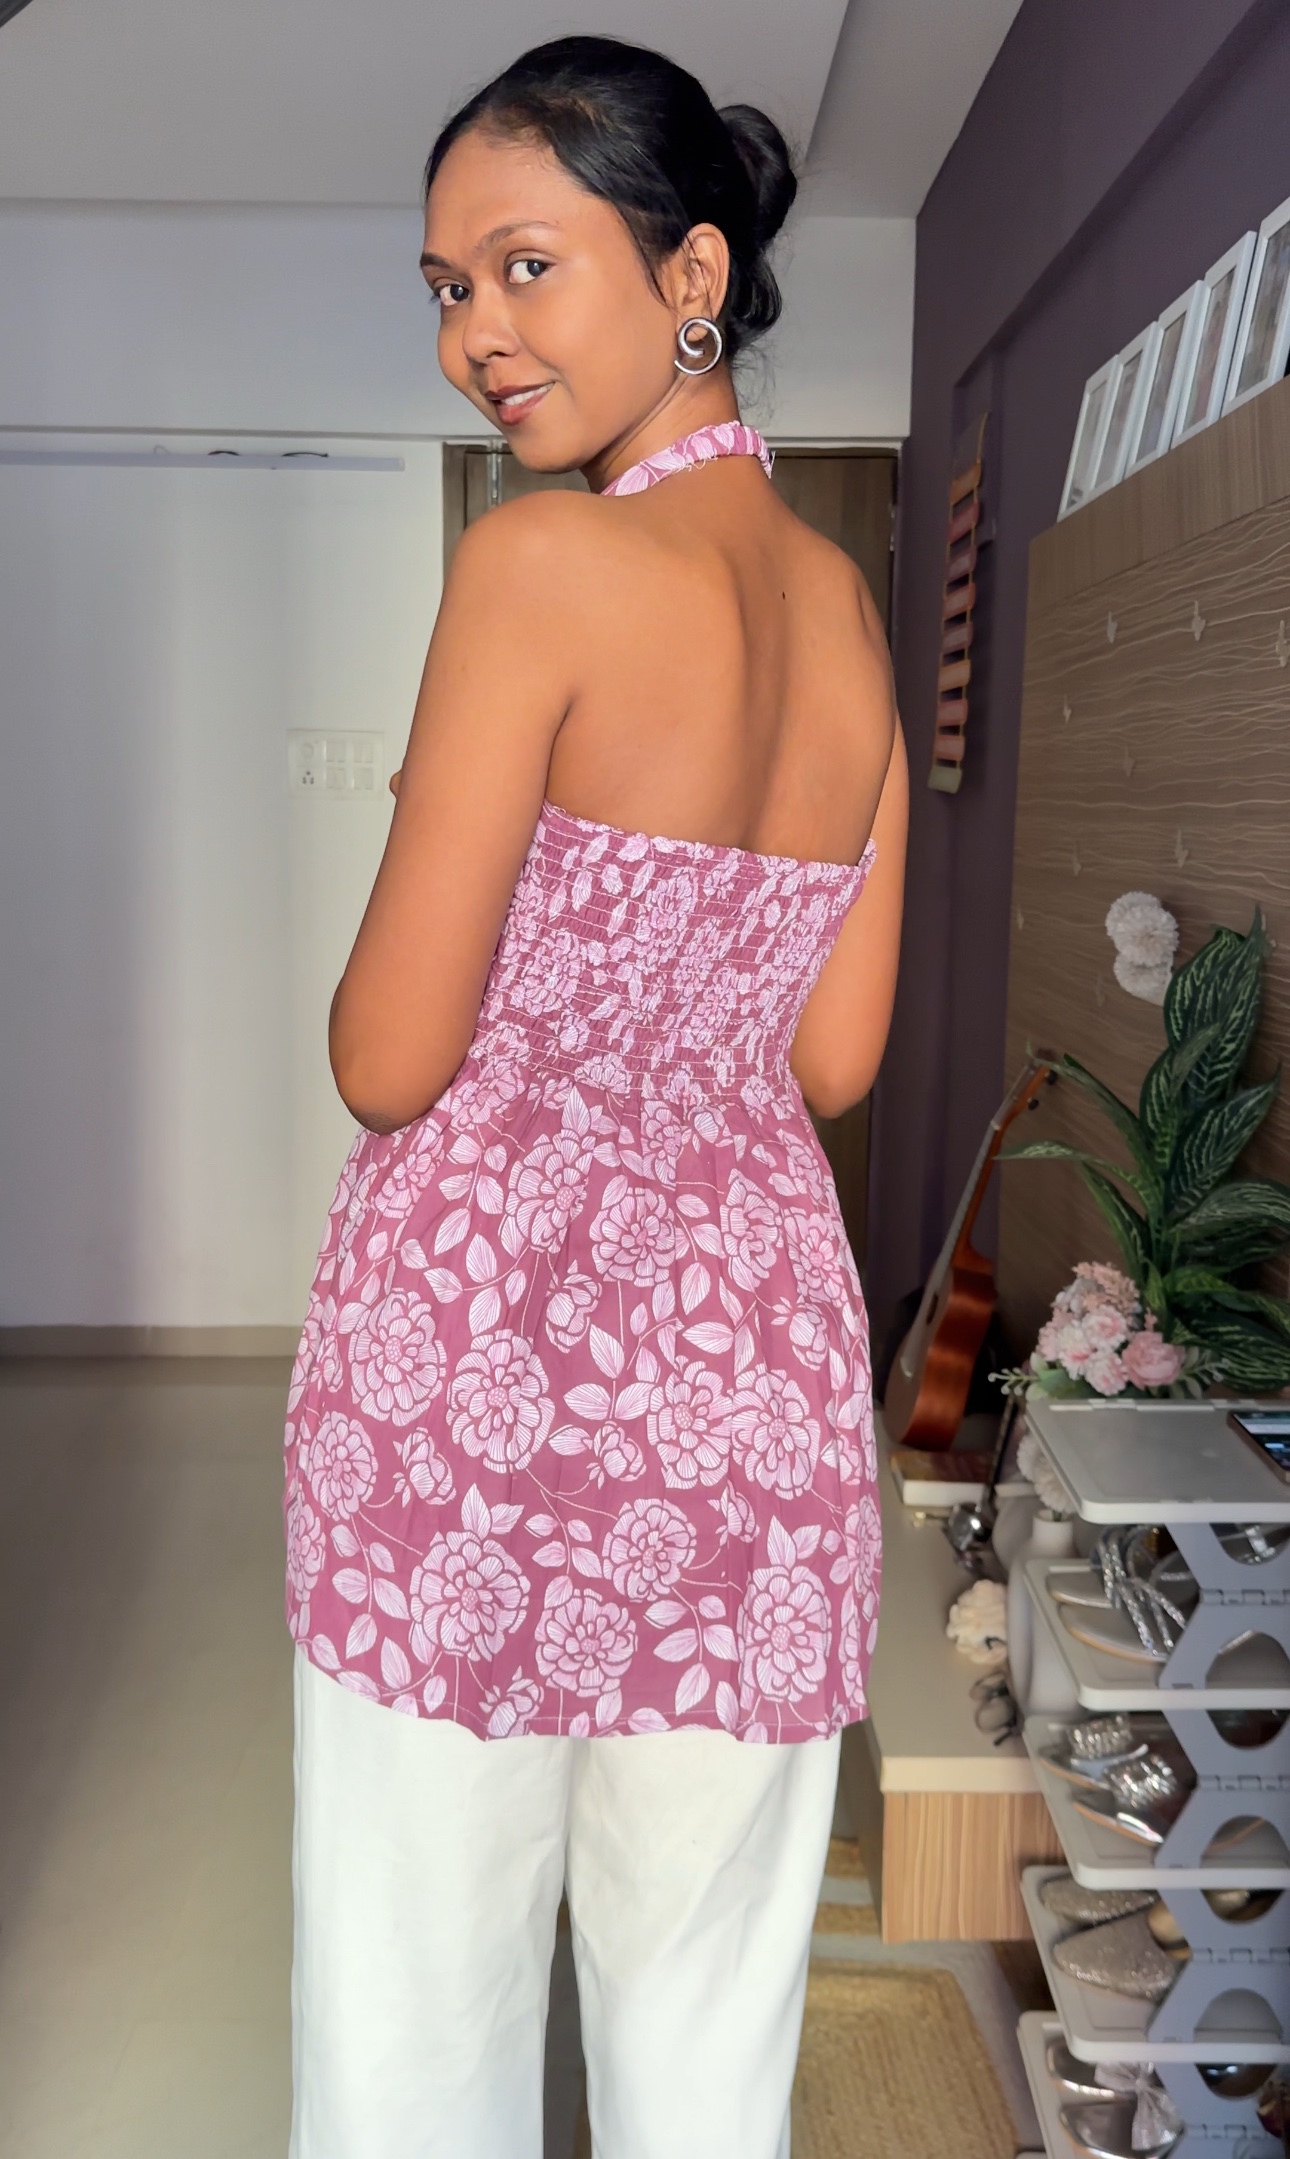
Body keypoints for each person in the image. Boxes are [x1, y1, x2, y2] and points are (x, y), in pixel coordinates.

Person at [284, 33, 907, 2159]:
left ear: (691, 273)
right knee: (707, 2023)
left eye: (527, 266)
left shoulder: (533, 567)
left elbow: (388, 1059)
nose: (478, 331)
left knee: (416, 2007)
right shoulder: (847, 619)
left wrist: (428, 823)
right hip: (749, 1391)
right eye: (446, 286)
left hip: (477, 1383)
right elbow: (831, 1060)